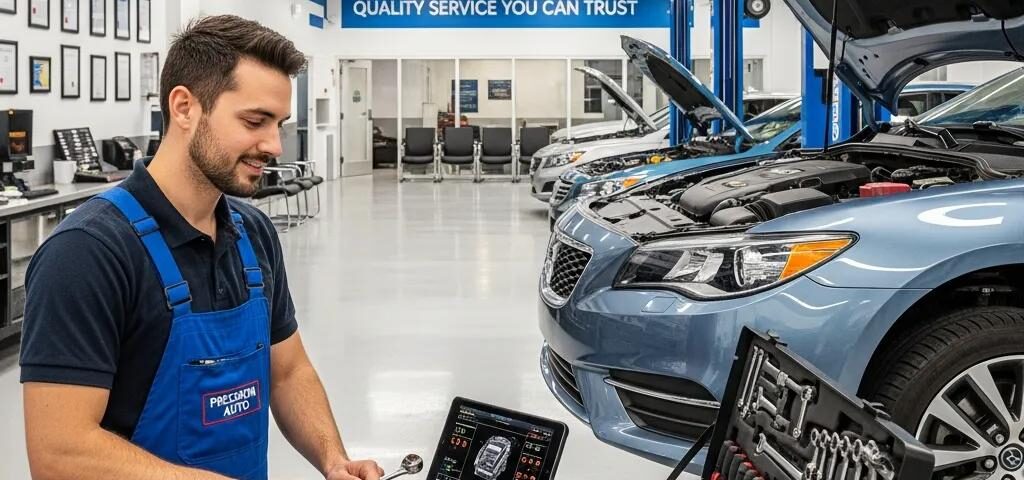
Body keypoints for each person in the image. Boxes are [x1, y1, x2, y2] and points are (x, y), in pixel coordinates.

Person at [19, 15, 382, 480]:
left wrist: (333, 459)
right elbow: (60, 453)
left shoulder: (254, 234)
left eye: (279, 124)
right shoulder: (88, 253)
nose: (274, 144)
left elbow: (288, 371)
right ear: (185, 107)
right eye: (255, 121)